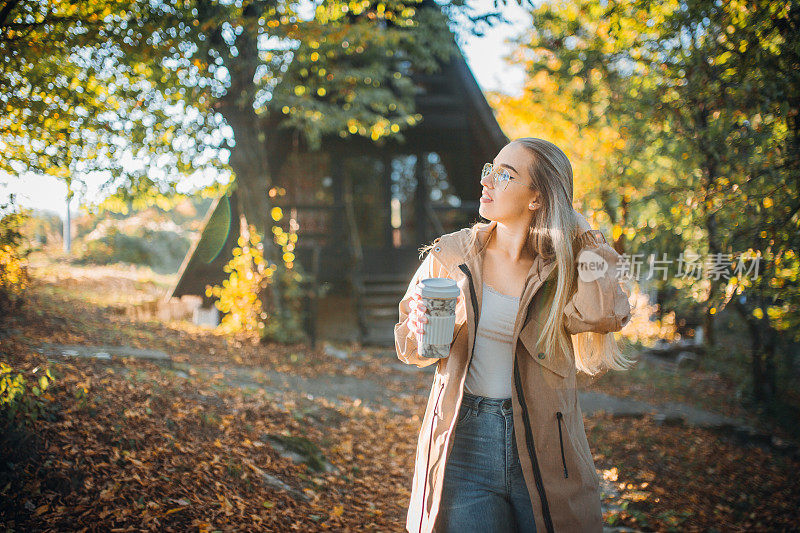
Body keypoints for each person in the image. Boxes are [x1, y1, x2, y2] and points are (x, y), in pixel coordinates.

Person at [394, 137, 634, 533]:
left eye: (505, 175)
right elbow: (412, 345)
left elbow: (604, 312)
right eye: (491, 169)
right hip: (464, 440)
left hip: (545, 443)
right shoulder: (452, 255)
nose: (486, 182)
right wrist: (419, 333)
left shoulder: (562, 268)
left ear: (536, 198)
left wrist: (586, 234)